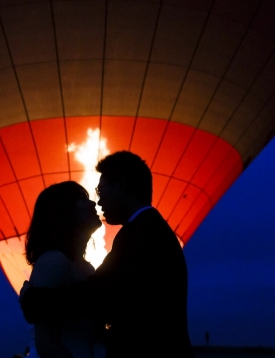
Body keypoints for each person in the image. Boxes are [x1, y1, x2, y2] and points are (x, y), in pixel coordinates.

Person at [20, 151, 194, 358]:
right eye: (88, 197)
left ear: (121, 187)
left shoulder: (140, 235)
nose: (97, 202)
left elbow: (98, 294)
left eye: (100, 192)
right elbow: (102, 296)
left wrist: (33, 301)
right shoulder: (147, 232)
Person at [25, 181, 104, 358]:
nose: (93, 203)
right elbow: (46, 342)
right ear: (62, 212)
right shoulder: (53, 261)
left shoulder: (87, 268)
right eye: (81, 199)